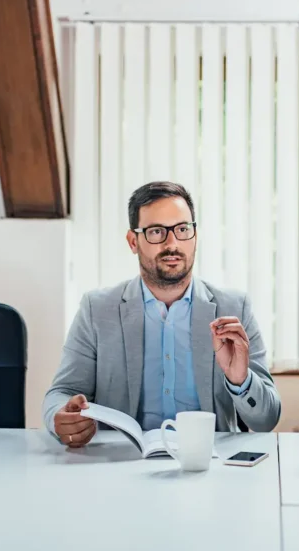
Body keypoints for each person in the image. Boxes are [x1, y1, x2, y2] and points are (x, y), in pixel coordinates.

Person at [43, 181, 281, 446]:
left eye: (182, 229)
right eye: (156, 232)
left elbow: (267, 420)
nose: (172, 243)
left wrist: (240, 380)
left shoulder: (234, 308)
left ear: (195, 236)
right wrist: (60, 416)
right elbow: (61, 393)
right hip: (120, 463)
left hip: (207, 464)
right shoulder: (97, 309)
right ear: (133, 241)